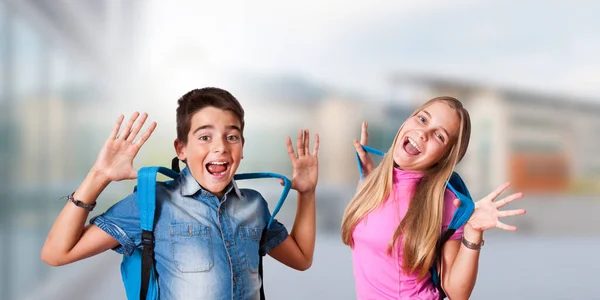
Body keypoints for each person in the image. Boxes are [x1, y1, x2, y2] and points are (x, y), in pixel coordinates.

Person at [41, 87, 320, 299]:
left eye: (231, 136)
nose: (221, 147)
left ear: (242, 147)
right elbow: (56, 254)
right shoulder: (153, 202)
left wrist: (306, 193)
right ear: (181, 149)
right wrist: (98, 177)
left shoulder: (254, 206)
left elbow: (302, 259)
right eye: (204, 136)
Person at [341, 96, 526, 300]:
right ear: (408, 120)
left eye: (439, 136)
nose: (423, 133)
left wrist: (473, 231)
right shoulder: (373, 183)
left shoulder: (444, 201)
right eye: (422, 119)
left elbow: (456, 293)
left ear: (445, 157)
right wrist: (371, 179)